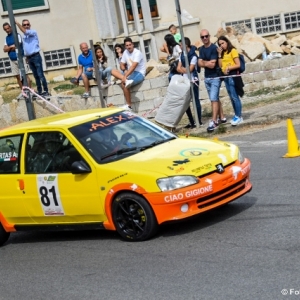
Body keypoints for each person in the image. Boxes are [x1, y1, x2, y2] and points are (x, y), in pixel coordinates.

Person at [198, 29, 226, 133]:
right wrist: (206, 63)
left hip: (215, 77)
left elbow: (212, 64)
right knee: (214, 99)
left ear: (209, 36)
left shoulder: (214, 48)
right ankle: (222, 117)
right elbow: (199, 63)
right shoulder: (201, 49)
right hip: (207, 77)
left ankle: (214, 121)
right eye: (202, 37)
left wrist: (203, 62)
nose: (205, 38)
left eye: (206, 36)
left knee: (213, 99)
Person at [15, 19, 49, 97]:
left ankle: (45, 90)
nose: (26, 26)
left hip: (36, 56)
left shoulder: (33, 32)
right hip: (30, 58)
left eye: (27, 24)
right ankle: (40, 91)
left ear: (30, 25)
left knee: (40, 75)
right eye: (24, 25)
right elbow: (26, 47)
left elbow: (25, 31)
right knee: (36, 76)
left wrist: (17, 23)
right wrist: (27, 57)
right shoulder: (24, 36)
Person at [111, 37, 145, 111]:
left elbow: (133, 67)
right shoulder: (125, 52)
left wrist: (125, 76)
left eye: (130, 45)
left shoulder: (137, 53)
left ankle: (129, 106)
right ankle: (126, 80)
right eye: (127, 45)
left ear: (133, 45)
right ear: (125, 46)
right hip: (129, 72)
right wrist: (124, 70)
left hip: (139, 73)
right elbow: (122, 64)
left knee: (124, 84)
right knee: (112, 71)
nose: (129, 46)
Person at [217, 36, 243, 126]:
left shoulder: (233, 51)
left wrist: (229, 67)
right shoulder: (222, 53)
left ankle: (238, 116)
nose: (221, 45)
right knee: (231, 97)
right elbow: (220, 66)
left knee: (235, 97)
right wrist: (219, 55)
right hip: (226, 77)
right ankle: (236, 114)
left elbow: (238, 64)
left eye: (223, 43)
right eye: (220, 44)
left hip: (232, 76)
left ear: (227, 42)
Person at [177, 37, 203, 128]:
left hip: (193, 80)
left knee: (195, 100)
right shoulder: (181, 55)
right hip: (185, 81)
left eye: (180, 45)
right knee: (186, 102)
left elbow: (191, 69)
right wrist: (185, 69)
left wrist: (183, 69)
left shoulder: (193, 56)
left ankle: (198, 120)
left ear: (185, 45)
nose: (179, 46)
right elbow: (178, 68)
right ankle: (191, 121)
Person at [2, 22, 31, 99]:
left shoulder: (17, 35)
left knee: (25, 75)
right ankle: (23, 92)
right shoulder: (6, 38)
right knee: (18, 77)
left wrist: (9, 47)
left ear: (10, 27)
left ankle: (29, 92)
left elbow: (17, 46)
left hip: (20, 58)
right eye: (5, 29)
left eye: (8, 28)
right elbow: (4, 49)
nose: (7, 30)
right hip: (12, 60)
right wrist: (10, 47)